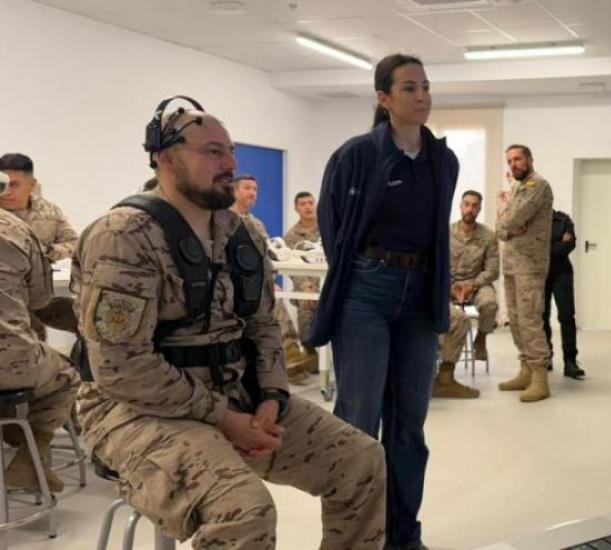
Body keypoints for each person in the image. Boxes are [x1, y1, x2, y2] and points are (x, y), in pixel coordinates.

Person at [72, 103, 385, 548]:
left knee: (362, 461)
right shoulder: (124, 236)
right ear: (165, 158)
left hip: (237, 396)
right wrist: (224, 417)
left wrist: (272, 398)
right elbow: (121, 368)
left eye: (231, 152)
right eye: (213, 152)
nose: (231, 165)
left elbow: (263, 326)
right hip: (134, 413)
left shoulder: (243, 234)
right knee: (245, 511)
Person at [309, 53, 458, 550]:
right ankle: (354, 538)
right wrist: (365, 276)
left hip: (419, 295)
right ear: (384, 99)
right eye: (410, 88)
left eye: (426, 87)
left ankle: (402, 536)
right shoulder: (357, 155)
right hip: (366, 292)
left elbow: (436, 232)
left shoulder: (443, 160)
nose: (422, 97)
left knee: (409, 425)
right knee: (358, 420)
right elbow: (334, 230)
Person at [0, 172, 78, 493]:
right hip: (9, 360)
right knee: (67, 376)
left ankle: (17, 433)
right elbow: (40, 299)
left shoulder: (50, 213)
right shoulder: (16, 230)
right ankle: (29, 461)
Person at [229, 174, 314, 382]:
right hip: (231, 283)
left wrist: (271, 280)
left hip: (256, 283)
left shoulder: (256, 224)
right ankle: (292, 355)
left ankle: (292, 356)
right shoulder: (223, 220)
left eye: (255, 189)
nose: (252, 193)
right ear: (234, 191)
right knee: (270, 299)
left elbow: (268, 257)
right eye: (247, 188)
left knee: (273, 296)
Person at [496, 144, 554, 402]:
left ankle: (540, 377)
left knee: (530, 320)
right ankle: (526, 369)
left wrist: (506, 223)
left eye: (518, 159)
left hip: (530, 265)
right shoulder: (517, 187)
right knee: (516, 320)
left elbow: (511, 219)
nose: (513, 164)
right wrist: (506, 225)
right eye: (509, 161)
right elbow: (504, 224)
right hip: (511, 264)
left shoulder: (537, 185)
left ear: (530, 159)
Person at [433, 190, 498, 399]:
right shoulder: (446, 232)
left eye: (475, 205)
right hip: (448, 285)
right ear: (460, 206)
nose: (470, 209)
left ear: (479, 208)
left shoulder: (488, 236)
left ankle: (481, 338)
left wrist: (473, 285)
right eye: (467, 204)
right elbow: (437, 265)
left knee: (489, 304)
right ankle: (441, 367)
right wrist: (450, 287)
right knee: (451, 318)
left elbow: (492, 270)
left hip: (476, 284)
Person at [0, 153, 79, 263]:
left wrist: (46, 251)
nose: (6, 192)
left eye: (14, 185)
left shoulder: (49, 211)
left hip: (40, 277)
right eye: (2, 185)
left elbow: (74, 244)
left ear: (32, 185)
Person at [543, 210, 585, 380]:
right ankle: (546, 357)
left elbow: (570, 244)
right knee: (541, 316)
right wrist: (558, 244)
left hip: (562, 273)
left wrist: (545, 248)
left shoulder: (563, 219)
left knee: (567, 316)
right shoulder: (533, 220)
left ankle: (570, 361)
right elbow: (531, 248)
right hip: (540, 273)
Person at [282, 191, 321, 367]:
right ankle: (310, 351)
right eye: (303, 204)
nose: (307, 207)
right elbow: (293, 268)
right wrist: (306, 285)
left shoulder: (328, 227)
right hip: (305, 285)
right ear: (296, 208)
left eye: (310, 203)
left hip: (328, 282)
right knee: (304, 301)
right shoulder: (291, 236)